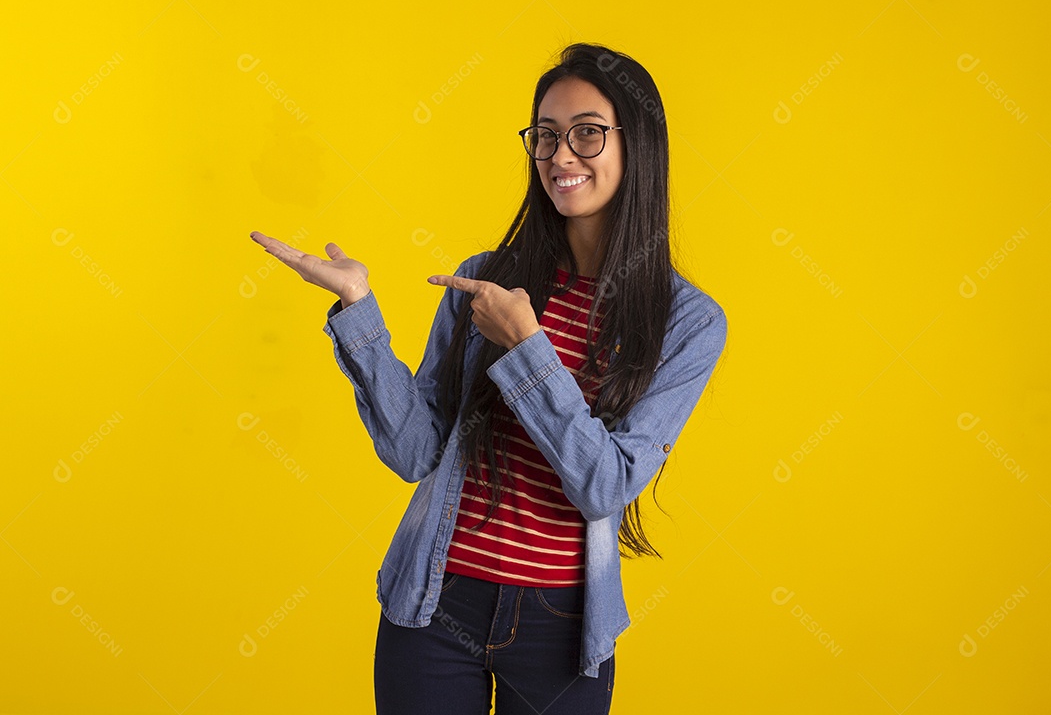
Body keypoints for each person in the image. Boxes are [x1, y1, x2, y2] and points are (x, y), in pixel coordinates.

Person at [249, 41, 728, 715]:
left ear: (638, 144)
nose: (562, 156)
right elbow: (414, 451)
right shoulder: (487, 280)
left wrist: (527, 347)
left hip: (564, 629)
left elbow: (605, 484)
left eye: (587, 134)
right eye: (547, 136)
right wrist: (358, 314)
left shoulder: (688, 322)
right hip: (434, 604)